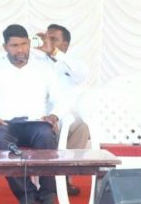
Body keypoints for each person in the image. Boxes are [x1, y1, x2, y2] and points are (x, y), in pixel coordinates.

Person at [0, 24, 67, 204]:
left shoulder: (44, 67)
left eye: (23, 44)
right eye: (14, 45)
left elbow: (62, 99)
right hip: (5, 125)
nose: (20, 50)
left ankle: (48, 195)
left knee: (47, 136)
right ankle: (27, 196)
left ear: (29, 43)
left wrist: (54, 115)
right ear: (5, 47)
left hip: (37, 124)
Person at [41, 24, 90, 196]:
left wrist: (55, 53)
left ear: (65, 45)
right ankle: (48, 182)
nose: (48, 42)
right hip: (44, 117)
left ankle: (66, 180)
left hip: (67, 118)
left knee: (82, 126)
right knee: (45, 130)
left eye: (53, 39)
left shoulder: (73, 63)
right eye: (47, 37)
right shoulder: (37, 62)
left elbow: (81, 75)